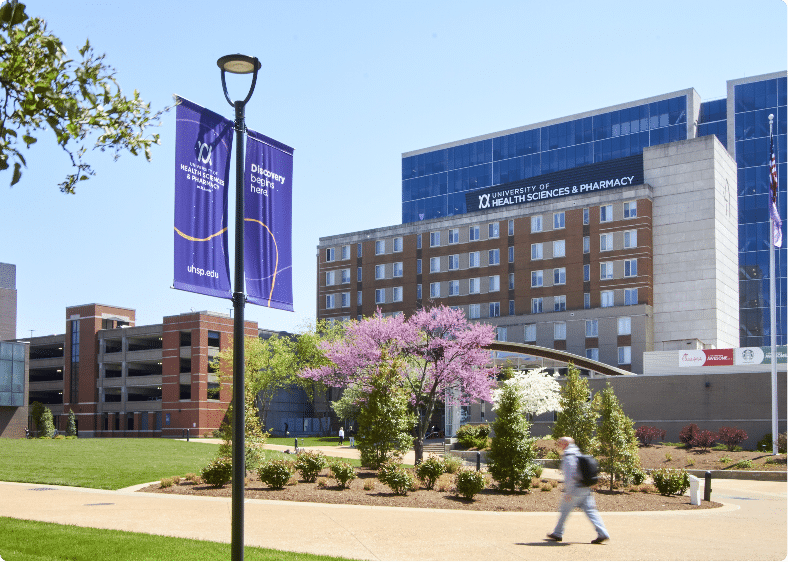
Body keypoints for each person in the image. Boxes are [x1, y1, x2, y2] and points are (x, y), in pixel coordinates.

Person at [547, 436, 610, 544]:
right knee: (591, 511)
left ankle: (557, 533)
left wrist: (569, 492)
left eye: (560, 443)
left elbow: (570, 476)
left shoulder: (569, 456)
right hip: (585, 488)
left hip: (575, 490)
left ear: (565, 444)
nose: (558, 445)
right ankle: (602, 532)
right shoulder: (578, 453)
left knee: (564, 511)